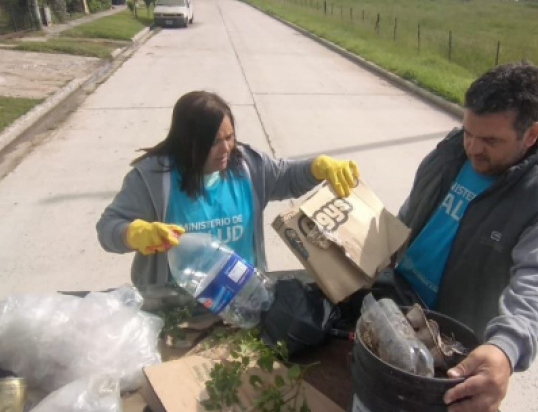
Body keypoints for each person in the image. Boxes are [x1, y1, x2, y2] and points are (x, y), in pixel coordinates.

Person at [394, 62, 538, 412]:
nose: (473, 148)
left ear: (531, 134)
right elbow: (413, 208)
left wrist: (505, 348)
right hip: (395, 301)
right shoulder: (454, 147)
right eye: (469, 131)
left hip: (445, 343)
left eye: (490, 140)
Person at [96, 91, 359, 301]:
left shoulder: (247, 166)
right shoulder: (152, 178)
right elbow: (108, 228)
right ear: (188, 142)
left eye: (230, 137)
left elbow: (286, 176)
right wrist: (133, 233)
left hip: (242, 298)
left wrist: (318, 167)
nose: (226, 149)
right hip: (176, 306)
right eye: (213, 142)